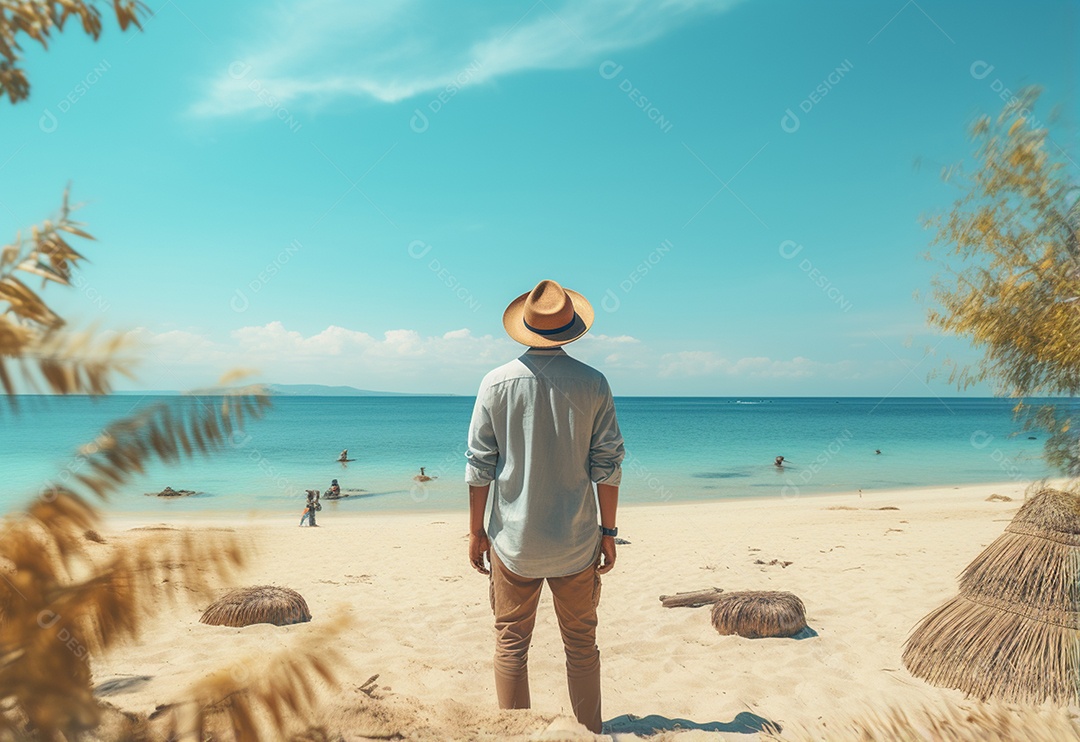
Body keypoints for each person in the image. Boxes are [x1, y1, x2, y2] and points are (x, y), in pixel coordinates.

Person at [466, 279, 624, 734]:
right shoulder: (594, 382)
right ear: (572, 328)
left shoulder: (495, 382)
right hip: (576, 540)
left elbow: (479, 466)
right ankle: (588, 732)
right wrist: (609, 533)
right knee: (581, 646)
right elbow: (607, 464)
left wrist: (476, 532)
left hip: (514, 542)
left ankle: (516, 735)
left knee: (511, 644)